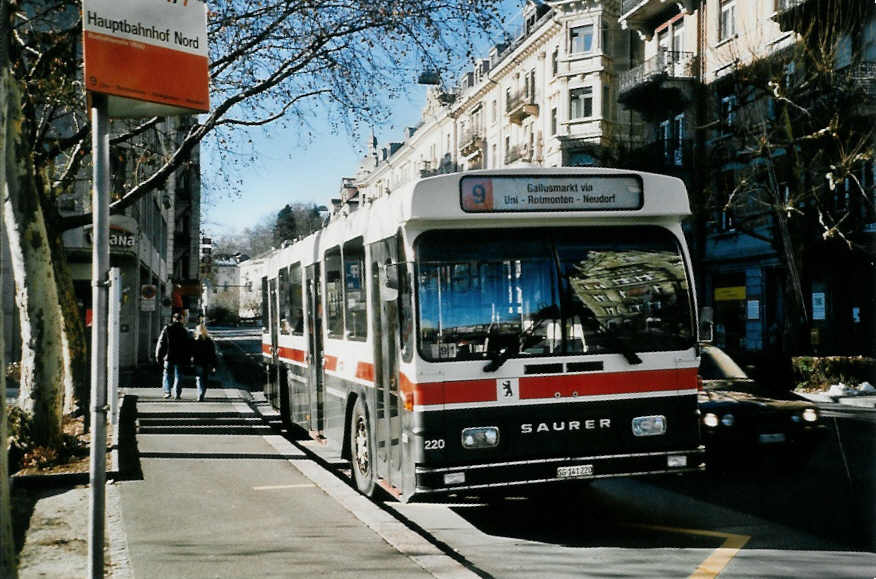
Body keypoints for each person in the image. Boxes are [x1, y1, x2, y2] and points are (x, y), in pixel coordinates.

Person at [155, 312, 191, 399]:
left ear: (173, 319)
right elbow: (189, 345)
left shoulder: (167, 329)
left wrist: (158, 355)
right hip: (180, 357)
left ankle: (167, 392)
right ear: (181, 319)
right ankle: (177, 393)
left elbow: (161, 343)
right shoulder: (184, 330)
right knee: (178, 375)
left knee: (167, 374)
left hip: (168, 356)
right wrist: (189, 357)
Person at [191, 323, 218, 401]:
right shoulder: (209, 341)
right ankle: (202, 393)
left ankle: (199, 393)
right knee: (205, 378)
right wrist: (214, 364)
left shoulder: (194, 341)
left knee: (199, 378)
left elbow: (192, 352)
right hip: (207, 362)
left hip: (198, 362)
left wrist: (191, 360)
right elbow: (213, 354)